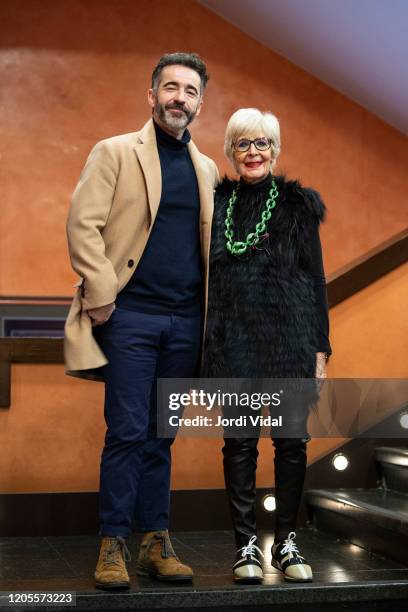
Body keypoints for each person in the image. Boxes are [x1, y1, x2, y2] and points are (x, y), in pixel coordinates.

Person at [64, 52, 218, 590]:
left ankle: (155, 542)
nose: (180, 97)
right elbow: (83, 225)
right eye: (171, 87)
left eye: (190, 90)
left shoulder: (207, 169)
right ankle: (113, 545)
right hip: (130, 317)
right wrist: (101, 298)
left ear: (200, 102)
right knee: (127, 432)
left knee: (161, 435)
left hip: (184, 323)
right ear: (152, 95)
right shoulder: (114, 152)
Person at [201, 108, 331, 583]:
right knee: (238, 444)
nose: (253, 152)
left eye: (262, 144)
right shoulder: (216, 203)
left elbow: (316, 281)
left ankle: (288, 543)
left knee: (291, 443)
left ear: (275, 150)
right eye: (243, 144)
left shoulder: (298, 205)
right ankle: (247, 548)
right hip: (234, 341)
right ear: (230, 151)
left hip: (290, 342)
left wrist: (320, 350)